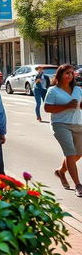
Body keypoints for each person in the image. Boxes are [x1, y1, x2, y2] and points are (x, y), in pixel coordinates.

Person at [44, 64, 82, 197]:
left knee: (79, 153)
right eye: (67, 73)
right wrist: (66, 106)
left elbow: (80, 105)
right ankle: (78, 185)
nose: (70, 75)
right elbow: (47, 108)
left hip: (78, 124)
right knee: (70, 153)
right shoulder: (53, 91)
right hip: (60, 124)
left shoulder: (77, 89)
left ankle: (61, 171)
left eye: (72, 73)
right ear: (60, 75)